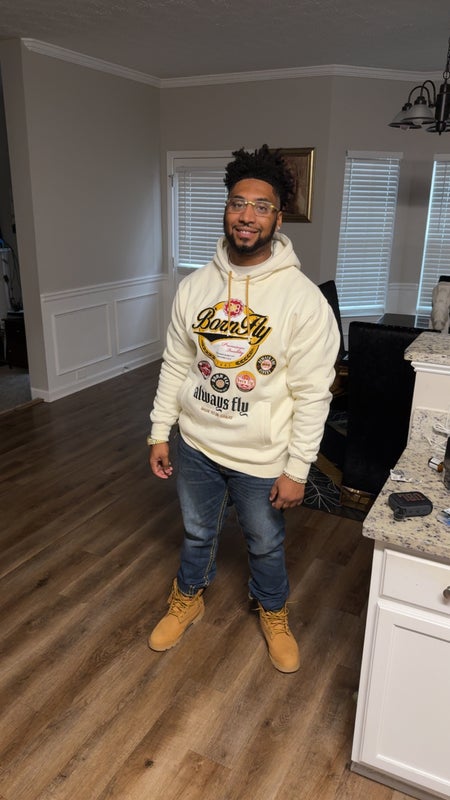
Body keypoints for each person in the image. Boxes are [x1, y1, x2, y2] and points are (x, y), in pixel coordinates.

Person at [147, 145, 340, 673]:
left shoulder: (302, 300)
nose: (247, 216)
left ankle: (273, 610)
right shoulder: (195, 287)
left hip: (262, 455)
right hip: (196, 444)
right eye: (238, 203)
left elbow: (314, 393)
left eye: (261, 206)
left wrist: (298, 469)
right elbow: (176, 364)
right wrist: (160, 431)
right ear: (226, 210)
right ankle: (188, 597)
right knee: (196, 531)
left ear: (278, 218)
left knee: (264, 543)